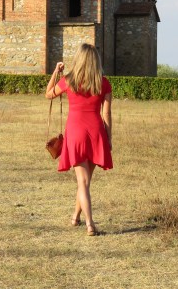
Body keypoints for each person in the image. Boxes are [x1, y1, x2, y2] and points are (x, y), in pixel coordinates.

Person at [45, 43, 113, 236]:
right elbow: (106, 114)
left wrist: (55, 73)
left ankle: (86, 222)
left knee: (83, 182)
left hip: (75, 133)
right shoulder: (104, 83)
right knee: (85, 181)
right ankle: (80, 219)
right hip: (96, 132)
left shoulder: (68, 80)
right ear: (96, 62)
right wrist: (108, 139)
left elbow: (48, 94)